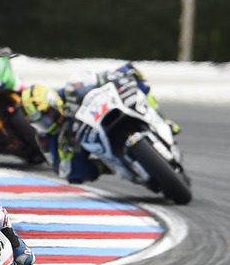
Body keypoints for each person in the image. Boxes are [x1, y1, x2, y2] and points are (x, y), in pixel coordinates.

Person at [20, 62, 180, 184]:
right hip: (86, 141)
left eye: (47, 115)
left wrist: (116, 75)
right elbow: (59, 167)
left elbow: (92, 81)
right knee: (73, 173)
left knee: (133, 78)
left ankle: (162, 120)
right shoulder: (45, 137)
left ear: (54, 103)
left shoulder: (65, 93)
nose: (47, 123)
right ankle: (108, 166)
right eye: (40, 122)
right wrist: (69, 150)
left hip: (103, 113)